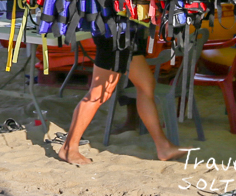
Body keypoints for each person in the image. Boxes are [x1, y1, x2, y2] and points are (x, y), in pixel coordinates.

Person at [57, 25, 185, 165]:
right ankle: (69, 148)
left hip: (131, 33)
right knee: (99, 93)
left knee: (146, 85)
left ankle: (163, 147)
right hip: (114, 31)